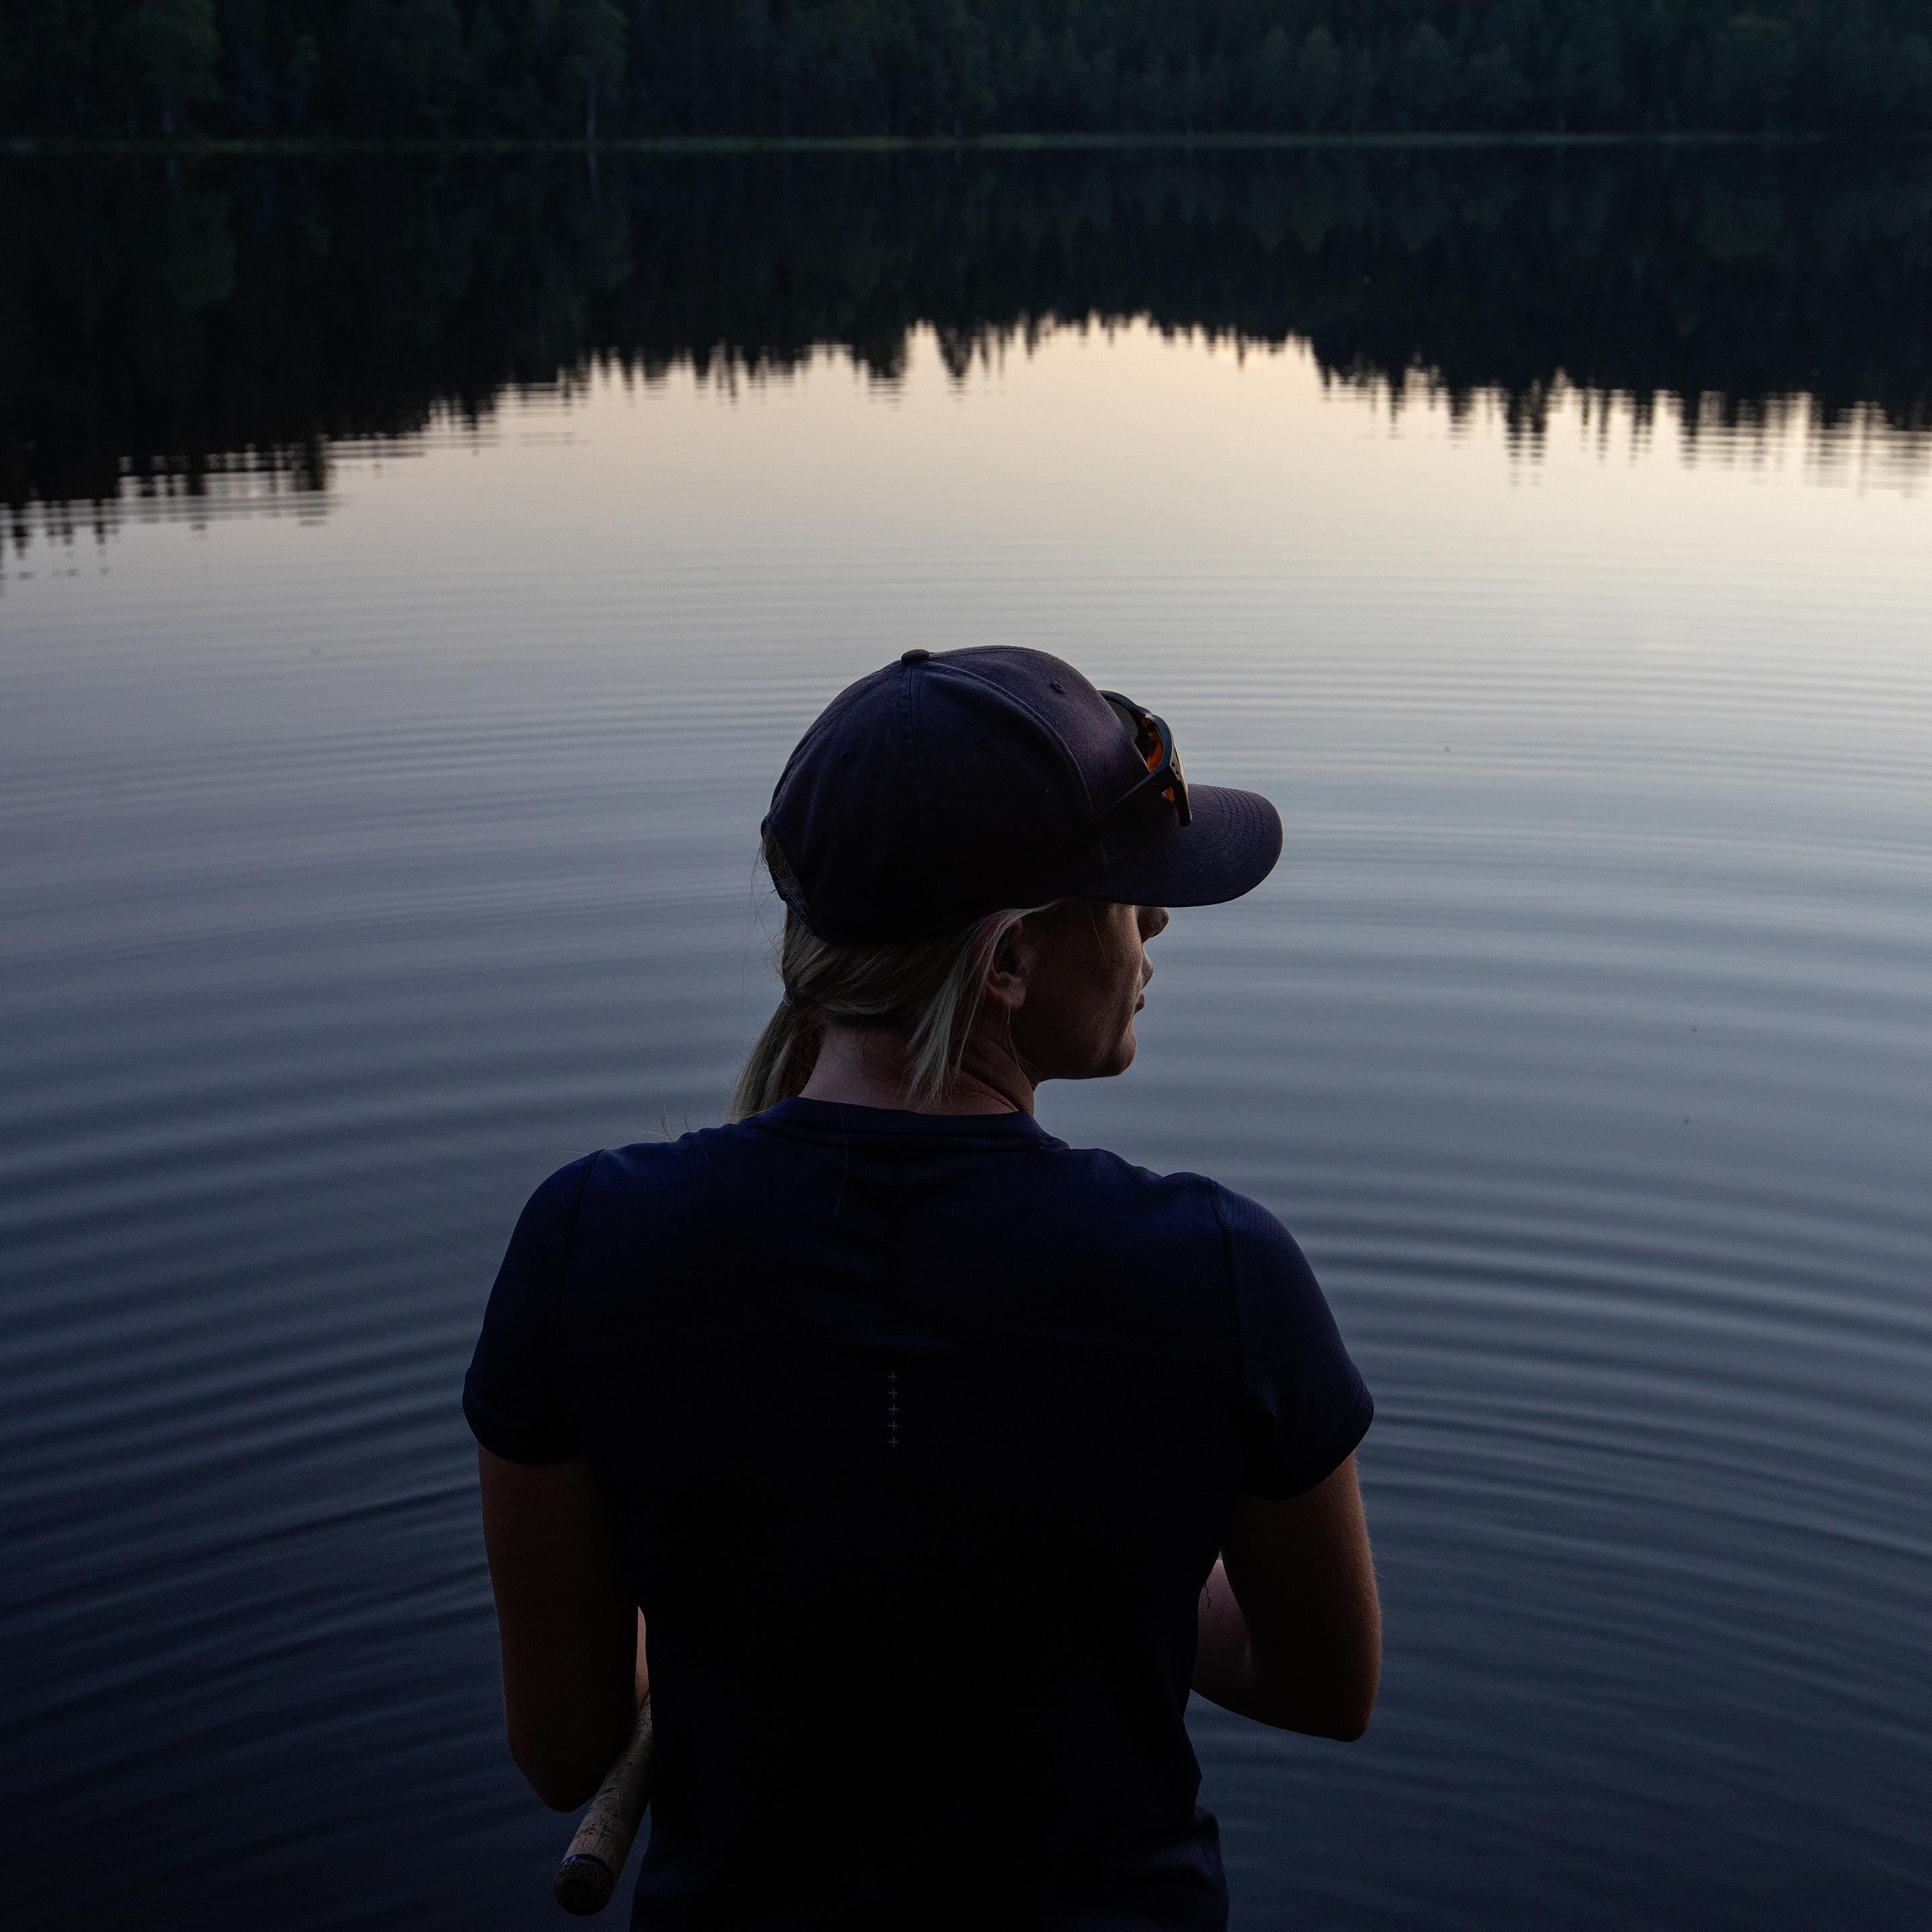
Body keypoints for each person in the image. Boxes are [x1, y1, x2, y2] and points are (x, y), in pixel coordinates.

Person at [466, 646, 1379, 1931]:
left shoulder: (584, 1247)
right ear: (1006, 963)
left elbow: (569, 1752)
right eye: (1124, 896)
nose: (1157, 926)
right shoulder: (1218, 1269)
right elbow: (1326, 1683)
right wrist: (1115, 1544)